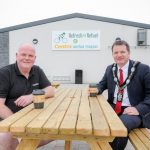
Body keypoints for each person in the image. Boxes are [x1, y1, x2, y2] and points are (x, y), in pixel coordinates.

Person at [96, 39, 150, 150]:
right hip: (113, 106)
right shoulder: (110, 68)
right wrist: (96, 89)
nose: (119, 55)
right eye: (116, 52)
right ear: (112, 54)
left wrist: (138, 109)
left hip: (133, 110)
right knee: (93, 117)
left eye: (122, 52)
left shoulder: (143, 69)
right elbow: (102, 84)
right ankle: (97, 145)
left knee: (120, 125)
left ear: (129, 53)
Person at [0, 43, 55, 150]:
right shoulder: (5, 73)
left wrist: (32, 96)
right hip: (7, 121)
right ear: (17, 56)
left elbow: (51, 90)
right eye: (23, 54)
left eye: (30, 56)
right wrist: (18, 123)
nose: (26, 58)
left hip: (32, 119)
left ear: (35, 58)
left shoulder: (37, 70)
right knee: (7, 140)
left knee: (56, 130)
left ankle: (27, 144)